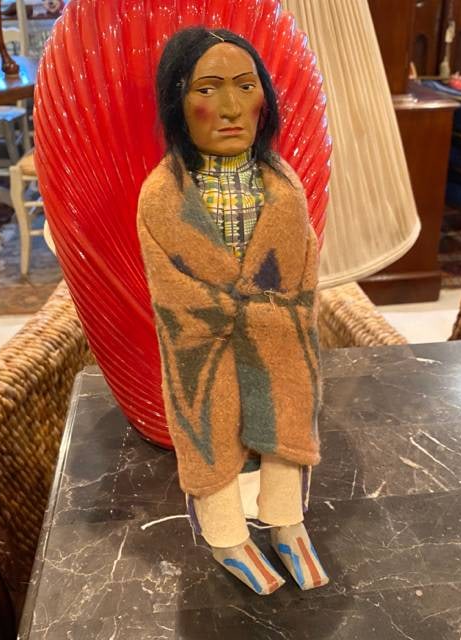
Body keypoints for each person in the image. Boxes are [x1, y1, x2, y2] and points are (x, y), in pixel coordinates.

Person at [137, 26, 328, 594]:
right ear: (177, 100)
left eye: (245, 86)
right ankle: (225, 536)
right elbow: (169, 288)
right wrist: (234, 310)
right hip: (201, 345)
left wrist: (279, 315)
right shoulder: (161, 196)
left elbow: (303, 271)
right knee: (209, 431)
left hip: (281, 339)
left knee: (287, 416)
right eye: (208, 88)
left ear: (264, 97)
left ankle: (287, 522)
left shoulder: (284, 186)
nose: (229, 107)